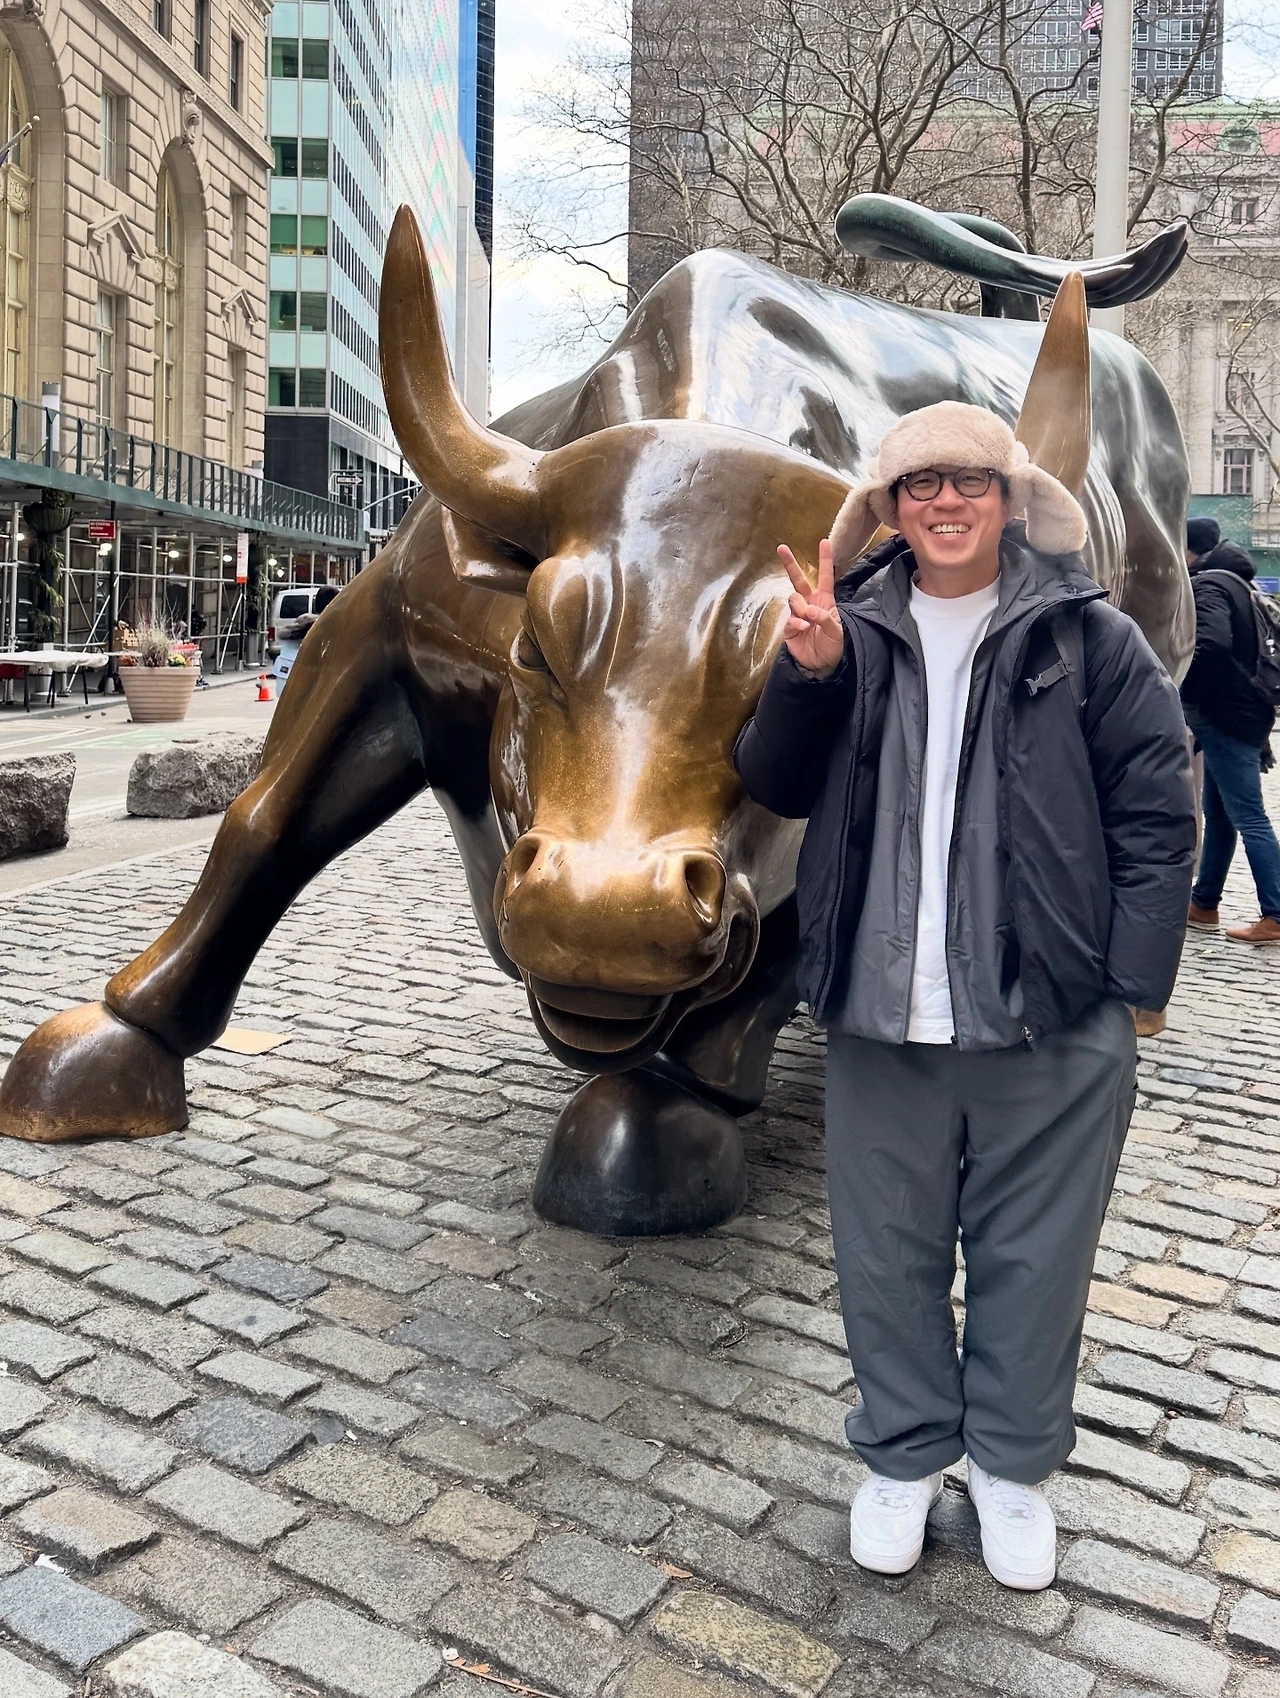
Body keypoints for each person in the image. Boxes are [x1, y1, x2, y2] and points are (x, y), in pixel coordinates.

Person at [734, 402, 1195, 1591]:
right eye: (919, 484)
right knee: (882, 1257)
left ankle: (1008, 1466)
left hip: (1049, 1016)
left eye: (969, 482)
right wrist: (804, 676)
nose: (945, 502)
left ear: (1008, 498)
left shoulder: (1086, 637)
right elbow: (771, 784)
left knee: (1033, 1260)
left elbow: (1157, 812)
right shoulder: (845, 631)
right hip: (879, 1012)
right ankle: (901, 1455)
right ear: (889, 509)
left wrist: (1129, 993)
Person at [1181, 516, 1280, 945]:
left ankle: (1276, 913)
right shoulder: (1241, 583)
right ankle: (1204, 903)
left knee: (1248, 815)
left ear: (1188, 550)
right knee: (1220, 813)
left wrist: (1188, 694)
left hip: (1226, 714)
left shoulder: (1208, 585)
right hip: (1246, 711)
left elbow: (1213, 646)